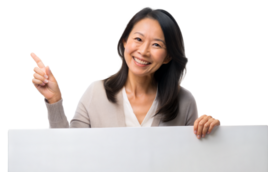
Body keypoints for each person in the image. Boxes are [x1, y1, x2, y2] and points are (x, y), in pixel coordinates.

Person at [29, 5, 221, 139]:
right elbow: (69, 152)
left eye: (156, 44)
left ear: (168, 56)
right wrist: (55, 100)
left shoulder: (185, 101)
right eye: (138, 39)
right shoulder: (95, 92)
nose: (144, 51)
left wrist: (212, 134)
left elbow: (193, 165)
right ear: (124, 42)